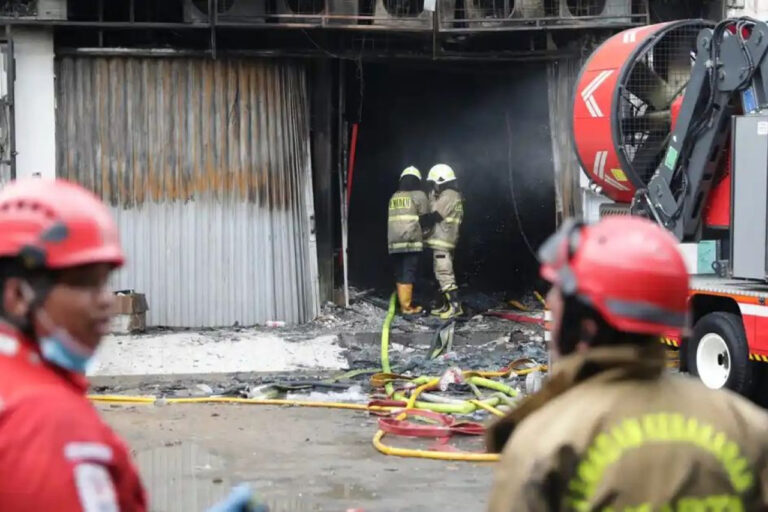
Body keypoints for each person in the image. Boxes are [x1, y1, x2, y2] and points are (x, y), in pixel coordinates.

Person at [0, 179, 257, 512]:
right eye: (86, 283)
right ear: (18, 296)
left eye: (105, 281)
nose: (107, 300)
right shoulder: (46, 420)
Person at [486, 216, 768, 511]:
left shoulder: (543, 443)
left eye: (557, 297)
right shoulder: (748, 427)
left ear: (585, 328)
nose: (550, 306)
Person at [422, 163, 464, 319]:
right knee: (440, 273)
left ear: (440, 181)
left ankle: (455, 307)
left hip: (443, 240)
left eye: (434, 183)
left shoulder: (448, 195)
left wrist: (417, 220)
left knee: (444, 273)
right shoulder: (454, 195)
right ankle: (444, 306)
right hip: (446, 239)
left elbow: (435, 216)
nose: (433, 186)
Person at [387, 166, 430, 315]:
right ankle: (406, 307)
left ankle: (402, 304)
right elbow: (425, 219)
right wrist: (427, 234)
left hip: (394, 242)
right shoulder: (419, 195)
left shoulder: (395, 196)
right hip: (411, 241)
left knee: (400, 272)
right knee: (408, 272)